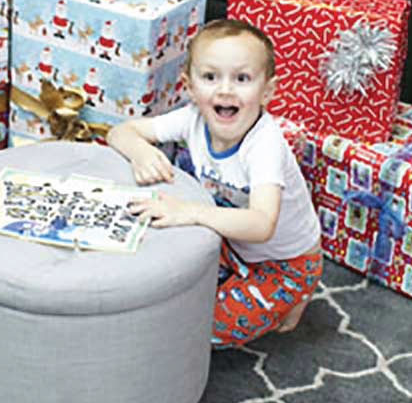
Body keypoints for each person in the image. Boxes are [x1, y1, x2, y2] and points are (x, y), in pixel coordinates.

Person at [107, 19, 322, 346]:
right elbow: (120, 132)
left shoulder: (265, 145)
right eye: (210, 77)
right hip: (229, 242)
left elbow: (262, 223)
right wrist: (139, 152)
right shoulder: (193, 118)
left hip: (283, 264)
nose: (225, 89)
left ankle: (293, 296)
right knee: (158, 268)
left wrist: (190, 212)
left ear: (267, 92)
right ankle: (236, 282)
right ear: (189, 87)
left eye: (242, 78)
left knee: (196, 328)